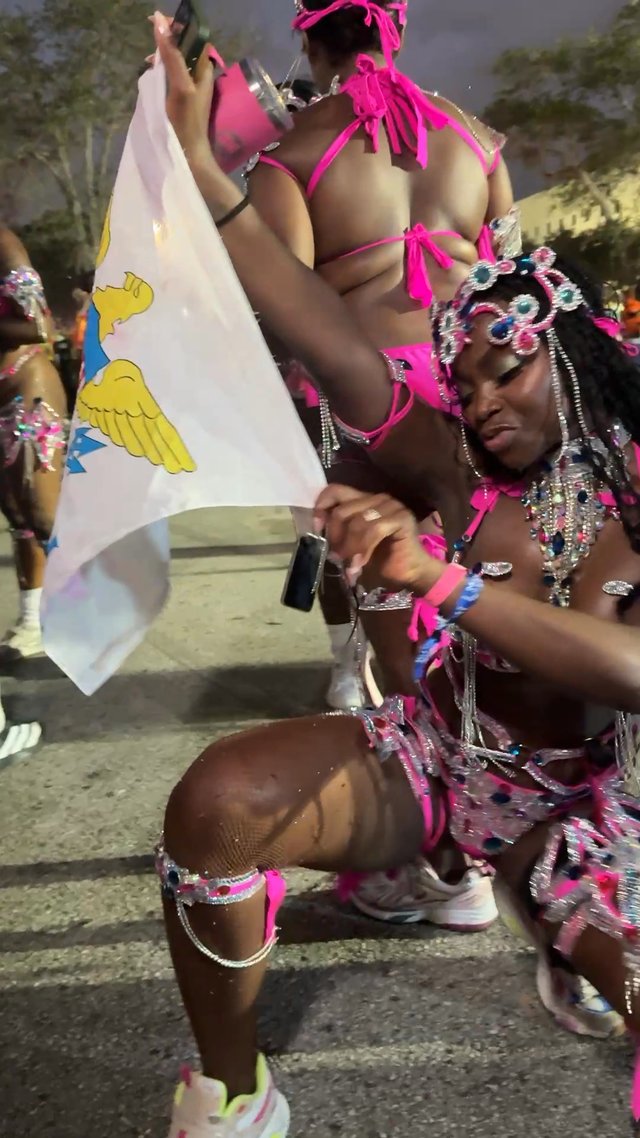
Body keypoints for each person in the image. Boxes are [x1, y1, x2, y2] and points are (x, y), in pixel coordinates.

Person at [151, 19, 640, 1136]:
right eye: (460, 379)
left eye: (504, 367)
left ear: (572, 355)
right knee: (215, 806)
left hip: (593, 815)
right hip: (438, 758)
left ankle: (556, 926)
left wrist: (444, 583)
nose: (476, 399)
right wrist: (198, 172)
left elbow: (629, 665)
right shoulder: (447, 455)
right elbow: (316, 322)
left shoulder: (632, 485)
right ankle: (232, 1097)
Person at [245, 0, 518, 715]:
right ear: (395, 31)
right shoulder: (475, 138)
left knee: (382, 577)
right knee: (490, 569)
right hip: (474, 379)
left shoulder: (288, 155)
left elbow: (290, 310)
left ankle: (414, 724)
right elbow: (515, 273)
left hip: (371, 397)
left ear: (310, 42)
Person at [0, 227, 67, 660]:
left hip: (26, 381)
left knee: (44, 514)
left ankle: (97, 614)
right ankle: (31, 621)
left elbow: (39, 326)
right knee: (17, 514)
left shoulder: (4, 244)